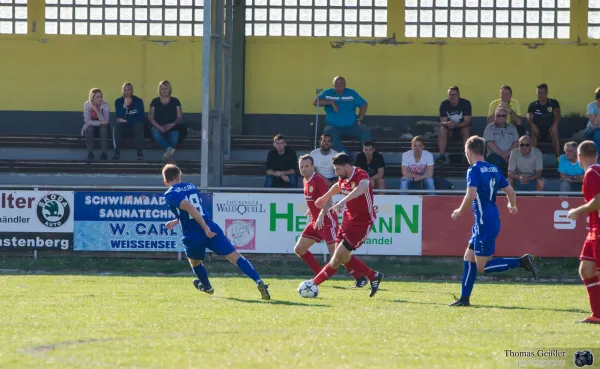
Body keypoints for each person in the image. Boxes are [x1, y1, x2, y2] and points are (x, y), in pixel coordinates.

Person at [448, 136, 538, 307]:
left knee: (483, 267)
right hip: (490, 218)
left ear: (468, 152)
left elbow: (471, 194)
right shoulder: (494, 169)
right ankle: (464, 299)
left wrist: (460, 211)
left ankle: (521, 262)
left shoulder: (473, 170)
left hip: (484, 222)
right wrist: (513, 206)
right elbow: (511, 191)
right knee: (469, 257)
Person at [162, 164, 270, 300]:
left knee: (194, 262)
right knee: (236, 256)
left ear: (165, 181)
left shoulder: (170, 193)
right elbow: (195, 209)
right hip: (210, 226)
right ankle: (258, 280)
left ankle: (207, 286)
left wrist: (204, 228)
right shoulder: (191, 186)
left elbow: (189, 208)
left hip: (194, 233)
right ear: (179, 177)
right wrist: (177, 221)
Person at [310, 153, 384, 297]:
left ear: (347, 166)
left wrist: (343, 201)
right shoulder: (343, 177)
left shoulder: (360, 174)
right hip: (347, 221)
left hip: (362, 224)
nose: (336, 172)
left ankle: (312, 284)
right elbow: (339, 186)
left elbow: (361, 188)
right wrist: (325, 197)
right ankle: (373, 275)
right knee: (343, 258)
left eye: (337, 169)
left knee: (337, 258)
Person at [294, 154, 368, 288]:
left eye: (306, 166)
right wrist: (311, 210)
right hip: (315, 221)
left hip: (327, 221)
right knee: (299, 249)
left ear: (313, 167)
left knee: (337, 255)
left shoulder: (318, 180)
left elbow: (328, 200)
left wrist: (322, 215)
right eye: (301, 166)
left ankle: (360, 277)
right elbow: (315, 199)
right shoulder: (305, 180)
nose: (303, 169)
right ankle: (319, 274)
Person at [566, 141, 600, 324]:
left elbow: (599, 199)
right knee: (586, 269)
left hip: (599, 228)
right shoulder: (597, 170)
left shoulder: (591, 173)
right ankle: (597, 314)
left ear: (579, 157)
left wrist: (577, 211)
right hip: (594, 228)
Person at [314, 76, 371, 156]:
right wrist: (331, 102)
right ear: (333, 85)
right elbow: (316, 102)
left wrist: (359, 119)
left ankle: (367, 157)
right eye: (336, 83)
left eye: (341, 83)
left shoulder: (351, 93)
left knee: (365, 132)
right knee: (329, 138)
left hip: (352, 126)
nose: (339, 84)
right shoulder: (328, 93)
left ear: (345, 84)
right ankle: (346, 158)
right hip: (333, 127)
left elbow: (364, 104)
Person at [437, 86, 472, 164]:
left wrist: (455, 125)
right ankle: (442, 157)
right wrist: (448, 124)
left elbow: (467, 122)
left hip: (462, 128)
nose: (452, 97)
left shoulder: (466, 103)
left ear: (459, 95)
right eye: (450, 95)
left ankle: (467, 157)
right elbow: (442, 121)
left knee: (466, 130)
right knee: (442, 129)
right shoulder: (444, 104)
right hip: (449, 129)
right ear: (448, 96)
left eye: (454, 95)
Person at [149, 80, 183, 160]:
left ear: (169, 89)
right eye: (162, 89)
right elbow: (150, 117)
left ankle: (168, 158)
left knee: (175, 137)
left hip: (172, 127)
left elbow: (179, 117)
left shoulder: (175, 101)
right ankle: (169, 149)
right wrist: (159, 127)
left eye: (166, 88)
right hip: (159, 127)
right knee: (155, 132)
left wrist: (172, 124)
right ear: (159, 90)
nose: (164, 91)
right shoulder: (155, 101)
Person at [526, 83, 561, 159]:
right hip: (538, 131)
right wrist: (533, 126)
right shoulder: (533, 105)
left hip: (550, 130)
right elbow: (529, 117)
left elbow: (558, 115)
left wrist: (555, 125)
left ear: (547, 93)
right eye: (539, 93)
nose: (541, 95)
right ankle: (531, 158)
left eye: (543, 92)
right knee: (533, 132)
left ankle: (557, 158)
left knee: (555, 132)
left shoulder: (553, 103)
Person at [113, 82, 145, 161]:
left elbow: (140, 117)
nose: (127, 92)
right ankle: (116, 153)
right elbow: (118, 117)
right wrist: (125, 106)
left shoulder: (138, 101)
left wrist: (126, 120)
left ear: (132, 91)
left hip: (135, 129)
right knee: (117, 125)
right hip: (123, 130)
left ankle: (139, 154)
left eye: (129, 90)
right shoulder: (118, 101)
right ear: (122, 91)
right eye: (125, 90)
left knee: (139, 125)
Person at [82, 88, 110, 161]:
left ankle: (104, 154)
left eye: (101, 96)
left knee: (103, 129)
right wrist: (100, 122)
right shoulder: (87, 104)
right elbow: (87, 121)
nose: (100, 99)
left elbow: (106, 121)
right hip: (91, 126)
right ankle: (90, 153)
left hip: (102, 127)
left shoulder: (105, 105)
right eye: (97, 97)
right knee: (89, 128)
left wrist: (97, 112)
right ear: (92, 98)